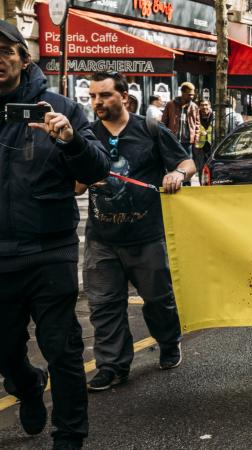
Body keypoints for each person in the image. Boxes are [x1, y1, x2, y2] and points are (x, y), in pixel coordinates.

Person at [0, 21, 110, 449]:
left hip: (49, 251)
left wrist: (69, 140)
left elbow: (96, 169)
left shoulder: (59, 107)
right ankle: (27, 386)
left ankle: (70, 437)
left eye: (4, 51)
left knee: (61, 349)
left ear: (23, 59)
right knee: (5, 350)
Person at [77, 72, 192, 392]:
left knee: (159, 300)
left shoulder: (150, 129)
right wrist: (85, 174)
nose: (97, 102)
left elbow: (187, 163)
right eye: (93, 97)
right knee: (103, 306)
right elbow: (76, 186)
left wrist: (176, 174)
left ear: (124, 97)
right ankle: (112, 365)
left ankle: (169, 342)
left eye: (104, 96)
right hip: (102, 239)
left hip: (147, 236)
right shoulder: (87, 135)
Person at [163, 82, 200, 156]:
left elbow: (197, 124)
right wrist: (166, 137)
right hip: (173, 140)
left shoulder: (194, 106)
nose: (192, 97)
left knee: (187, 161)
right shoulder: (170, 105)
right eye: (189, 94)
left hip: (188, 142)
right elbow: (164, 122)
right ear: (183, 93)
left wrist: (196, 138)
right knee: (173, 161)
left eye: (193, 95)